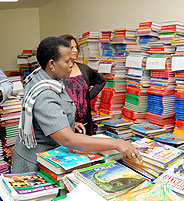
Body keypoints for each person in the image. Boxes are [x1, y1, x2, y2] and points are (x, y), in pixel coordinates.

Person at [12, 37, 141, 173]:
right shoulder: (45, 94)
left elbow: (55, 111)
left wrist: (67, 121)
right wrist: (117, 143)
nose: (71, 65)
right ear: (51, 64)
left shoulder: (44, 76)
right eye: (67, 61)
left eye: (72, 60)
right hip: (35, 163)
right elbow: (68, 139)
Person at [59, 34, 105, 135]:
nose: (75, 50)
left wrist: (87, 97)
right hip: (65, 126)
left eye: (76, 47)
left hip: (85, 124)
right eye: (71, 48)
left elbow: (101, 81)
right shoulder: (57, 72)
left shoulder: (84, 69)